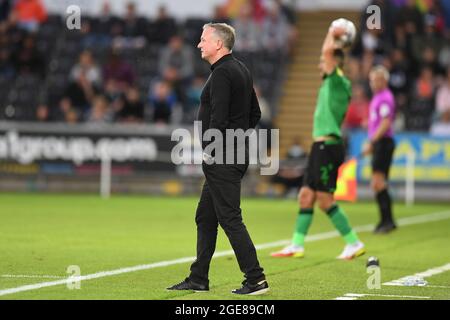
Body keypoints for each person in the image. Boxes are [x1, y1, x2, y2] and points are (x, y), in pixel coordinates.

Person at [167, 23, 268, 295]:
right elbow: (255, 114)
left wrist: (213, 149)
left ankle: (256, 278)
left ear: (219, 45)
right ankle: (198, 277)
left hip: (222, 157)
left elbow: (219, 119)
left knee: (230, 219)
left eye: (203, 39)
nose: (199, 44)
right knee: (206, 217)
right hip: (231, 154)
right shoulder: (241, 69)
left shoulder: (223, 73)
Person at [271, 23, 365, 260]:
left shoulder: (338, 81)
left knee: (324, 200)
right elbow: (326, 57)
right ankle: (297, 245)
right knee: (305, 195)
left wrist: (331, 32)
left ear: (335, 62)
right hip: (319, 146)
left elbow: (326, 54)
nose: (319, 66)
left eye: (324, 63)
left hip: (328, 146)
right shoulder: (330, 83)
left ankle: (353, 242)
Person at [363, 66, 397, 233]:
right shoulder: (378, 97)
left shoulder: (385, 98)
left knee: (378, 181)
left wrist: (372, 141)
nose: (373, 83)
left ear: (384, 80)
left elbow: (385, 122)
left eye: (376, 79)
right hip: (381, 142)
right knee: (378, 182)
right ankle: (386, 220)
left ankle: (387, 221)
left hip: (383, 142)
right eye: (372, 80)